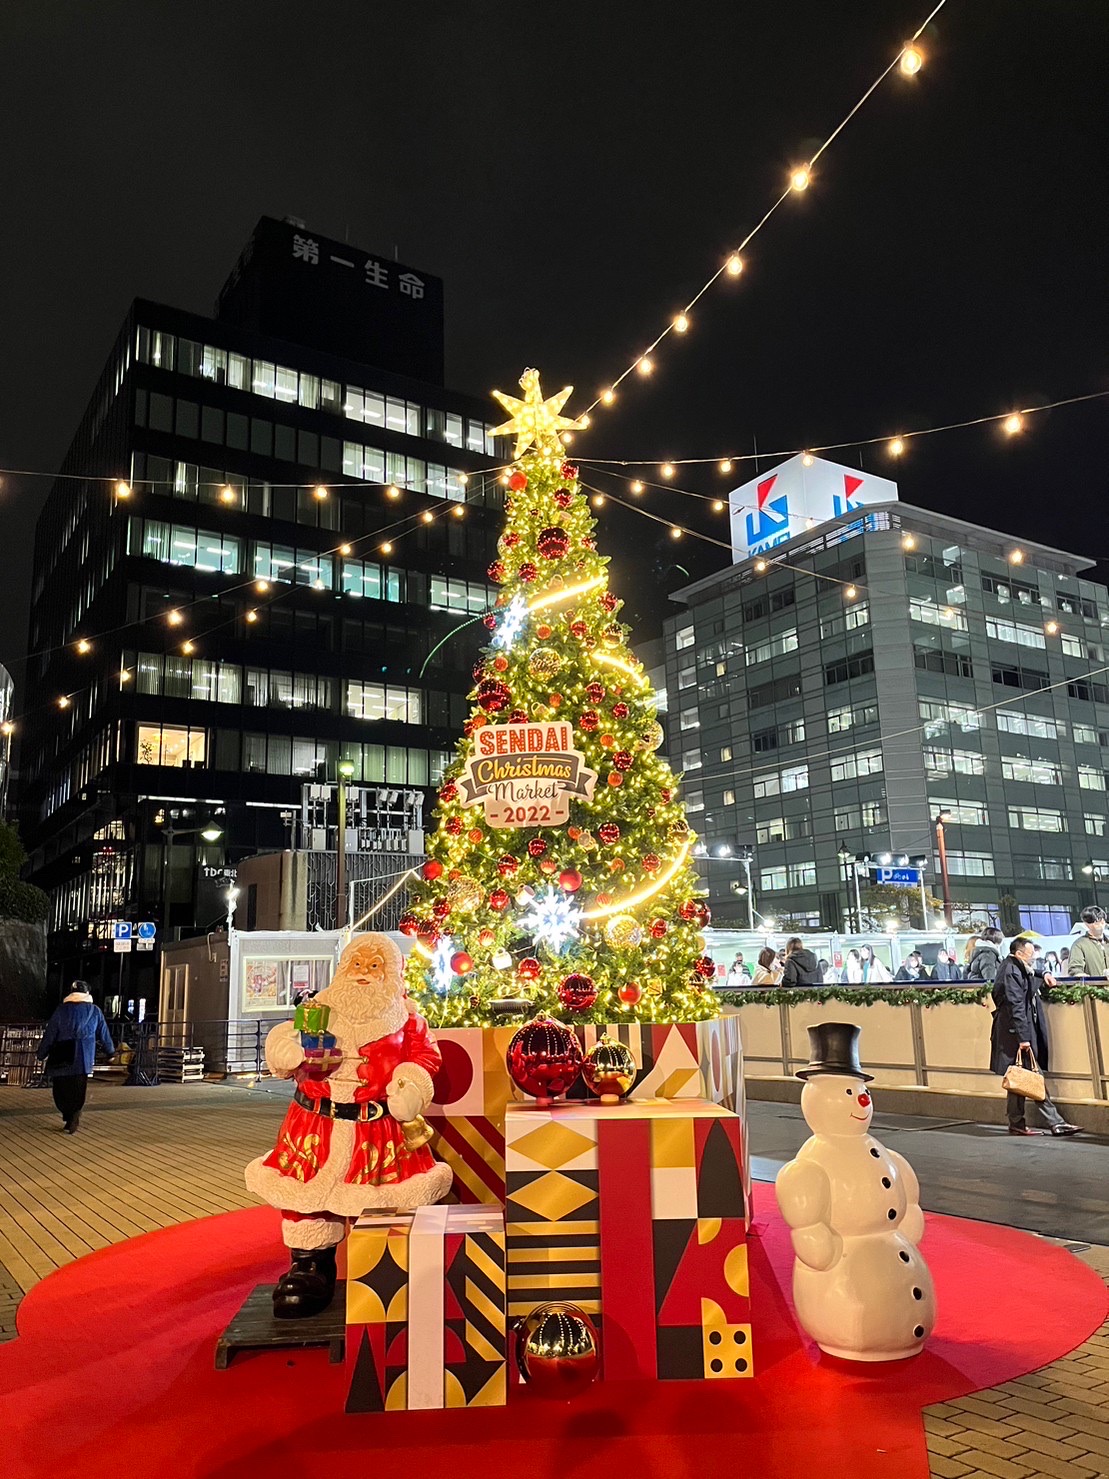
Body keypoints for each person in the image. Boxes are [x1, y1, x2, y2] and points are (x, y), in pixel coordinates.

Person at [990, 935, 1080, 1137]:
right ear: (1019, 953)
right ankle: (1055, 1122)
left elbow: (1031, 974)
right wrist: (1023, 1038)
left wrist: (1045, 973)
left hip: (1011, 1032)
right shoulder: (1011, 971)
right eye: (1030, 954)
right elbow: (1015, 1005)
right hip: (1015, 1033)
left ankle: (1017, 1123)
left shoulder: (1013, 966)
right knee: (1033, 1075)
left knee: (1018, 1078)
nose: (1034, 958)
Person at [36, 980, 114, 1134]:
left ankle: (68, 1115)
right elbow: (103, 1033)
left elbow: (50, 1033)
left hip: (61, 1056)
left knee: (61, 1090)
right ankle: (74, 1114)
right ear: (87, 993)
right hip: (83, 1058)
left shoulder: (61, 1010)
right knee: (78, 1090)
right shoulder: (95, 1011)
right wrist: (110, 1051)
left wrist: (41, 1053)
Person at [1065, 906, 1109, 979]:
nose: (1100, 924)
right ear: (1086, 924)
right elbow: (1075, 969)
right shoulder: (1079, 945)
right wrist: (1080, 976)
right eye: (1095, 921)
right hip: (1095, 985)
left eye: (1101, 920)